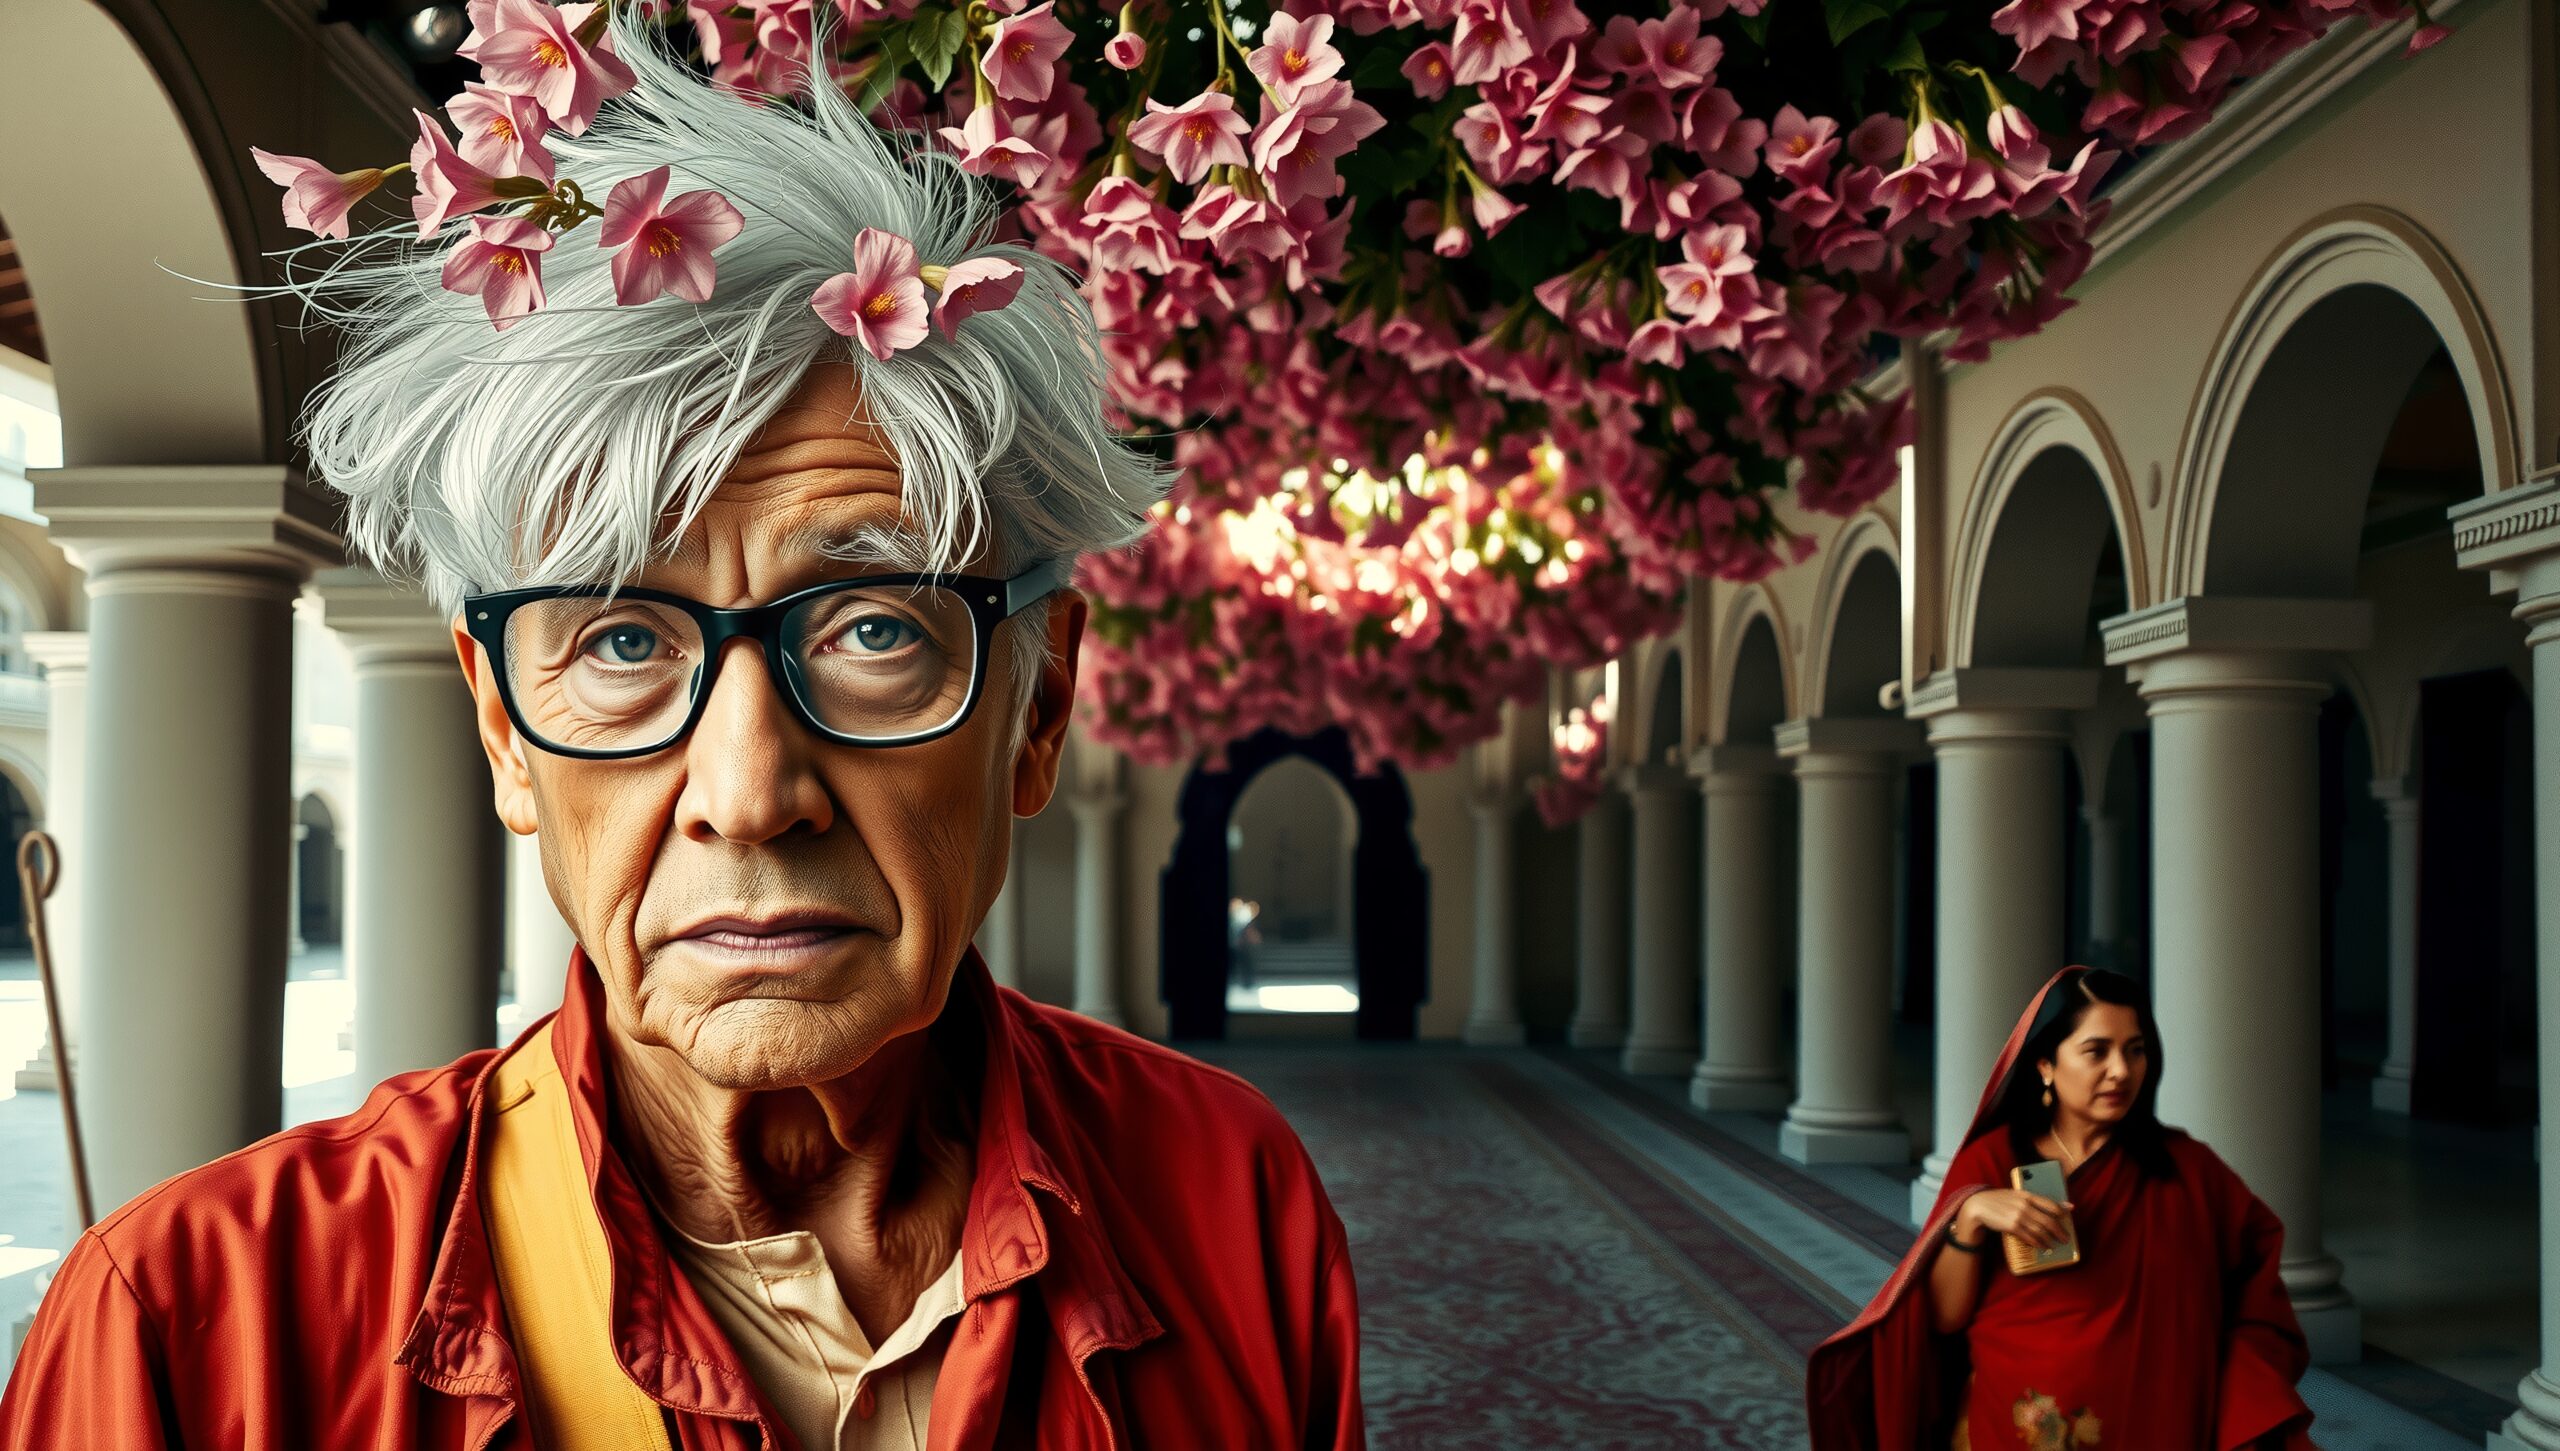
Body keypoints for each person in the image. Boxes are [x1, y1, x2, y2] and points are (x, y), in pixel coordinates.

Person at [0, 15, 1361, 1451]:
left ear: (1036, 706)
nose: (749, 791)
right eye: (624, 642)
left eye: (874, 628)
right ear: (505, 733)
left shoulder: (1226, 1192)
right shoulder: (189, 1326)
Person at [1806, 967, 2312, 1451]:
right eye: (2097, 1051)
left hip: (2159, 1419)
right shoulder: (1995, 1157)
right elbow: (1943, 1317)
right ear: (2045, 1064)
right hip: (2018, 1426)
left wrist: (2247, 1382)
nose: (2121, 1070)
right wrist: (1973, 1216)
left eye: (2135, 1051)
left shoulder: (2187, 1170)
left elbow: (2256, 1288)